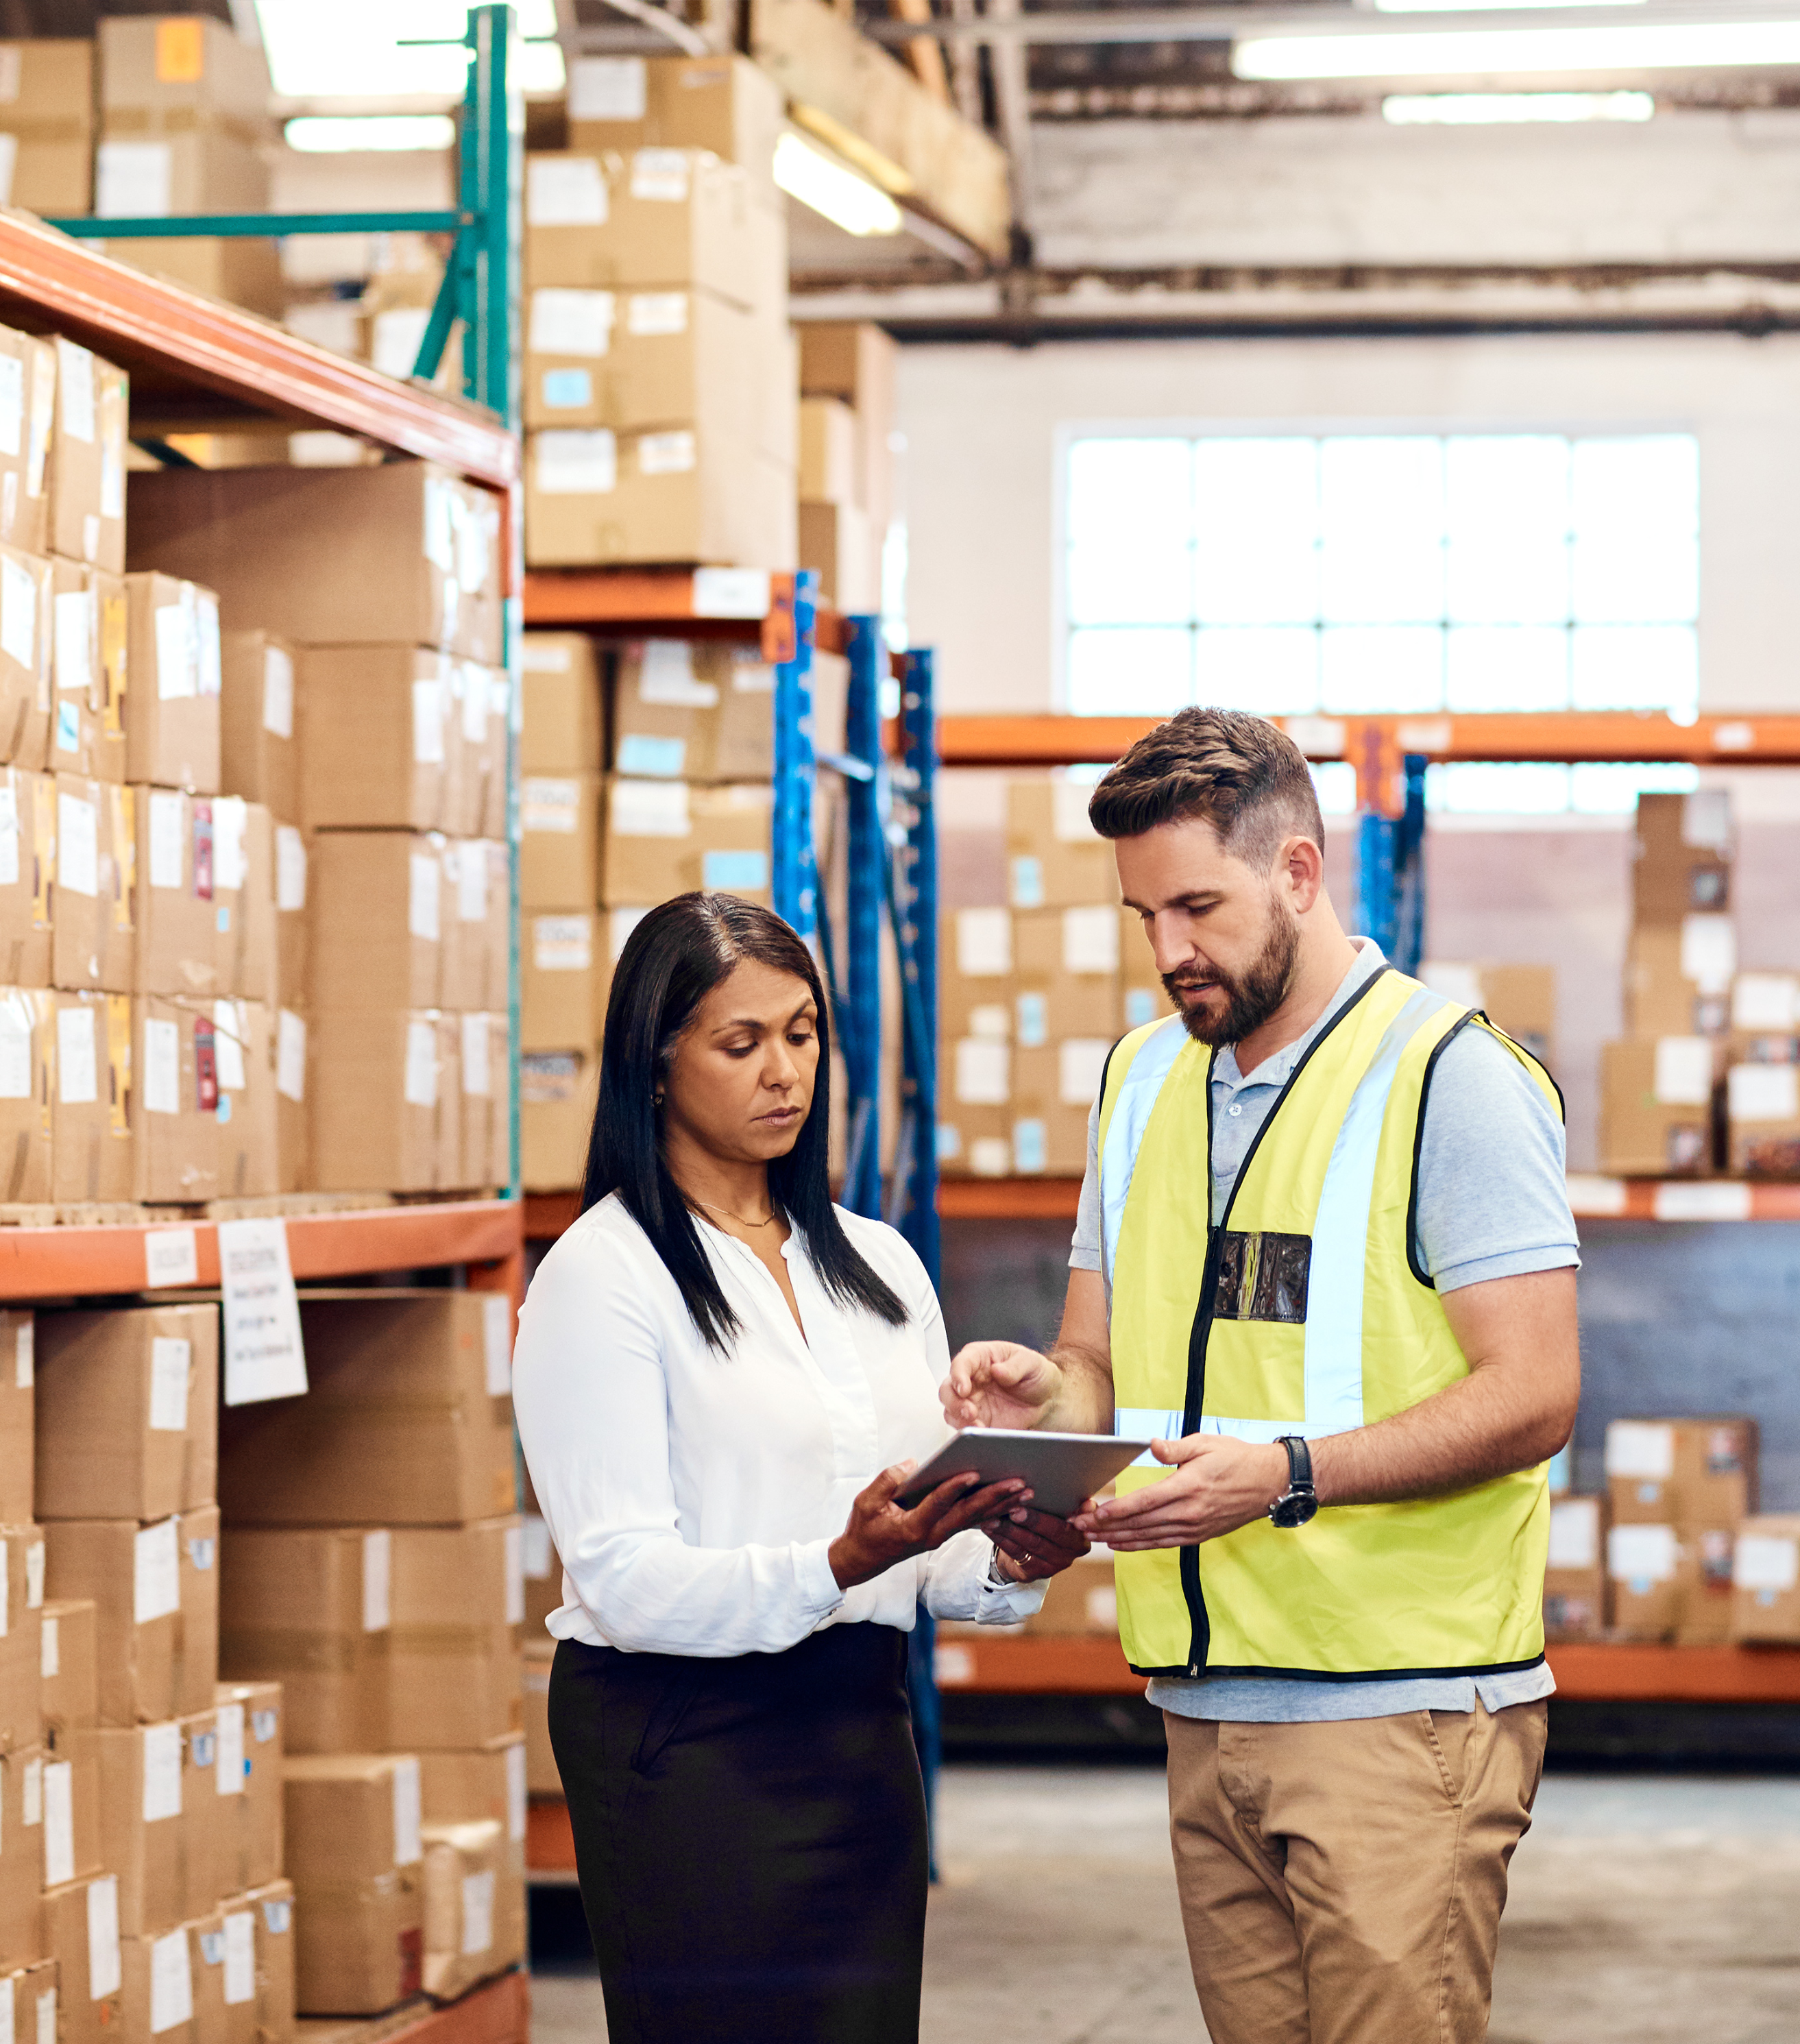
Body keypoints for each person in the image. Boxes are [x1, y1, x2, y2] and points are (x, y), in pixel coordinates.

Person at [944, 708, 1583, 2044]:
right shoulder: (1138, 1082)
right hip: (1201, 1701)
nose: (1171, 952)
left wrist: (1286, 1477)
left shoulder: (1446, 1078)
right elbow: (1099, 1367)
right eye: (1142, 917)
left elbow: (1533, 1394)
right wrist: (1039, 1403)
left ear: (1296, 871)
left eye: (1197, 906)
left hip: (1398, 1714)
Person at [515, 891, 1088, 2044]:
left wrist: (1020, 1548)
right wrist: (836, 1558)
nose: (786, 1072)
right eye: (742, 1042)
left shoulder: (878, 1267)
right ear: (658, 1060)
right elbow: (622, 1575)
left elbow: (932, 1568)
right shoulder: (604, 1275)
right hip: (687, 1742)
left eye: (803, 1033)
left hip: (857, 1729)